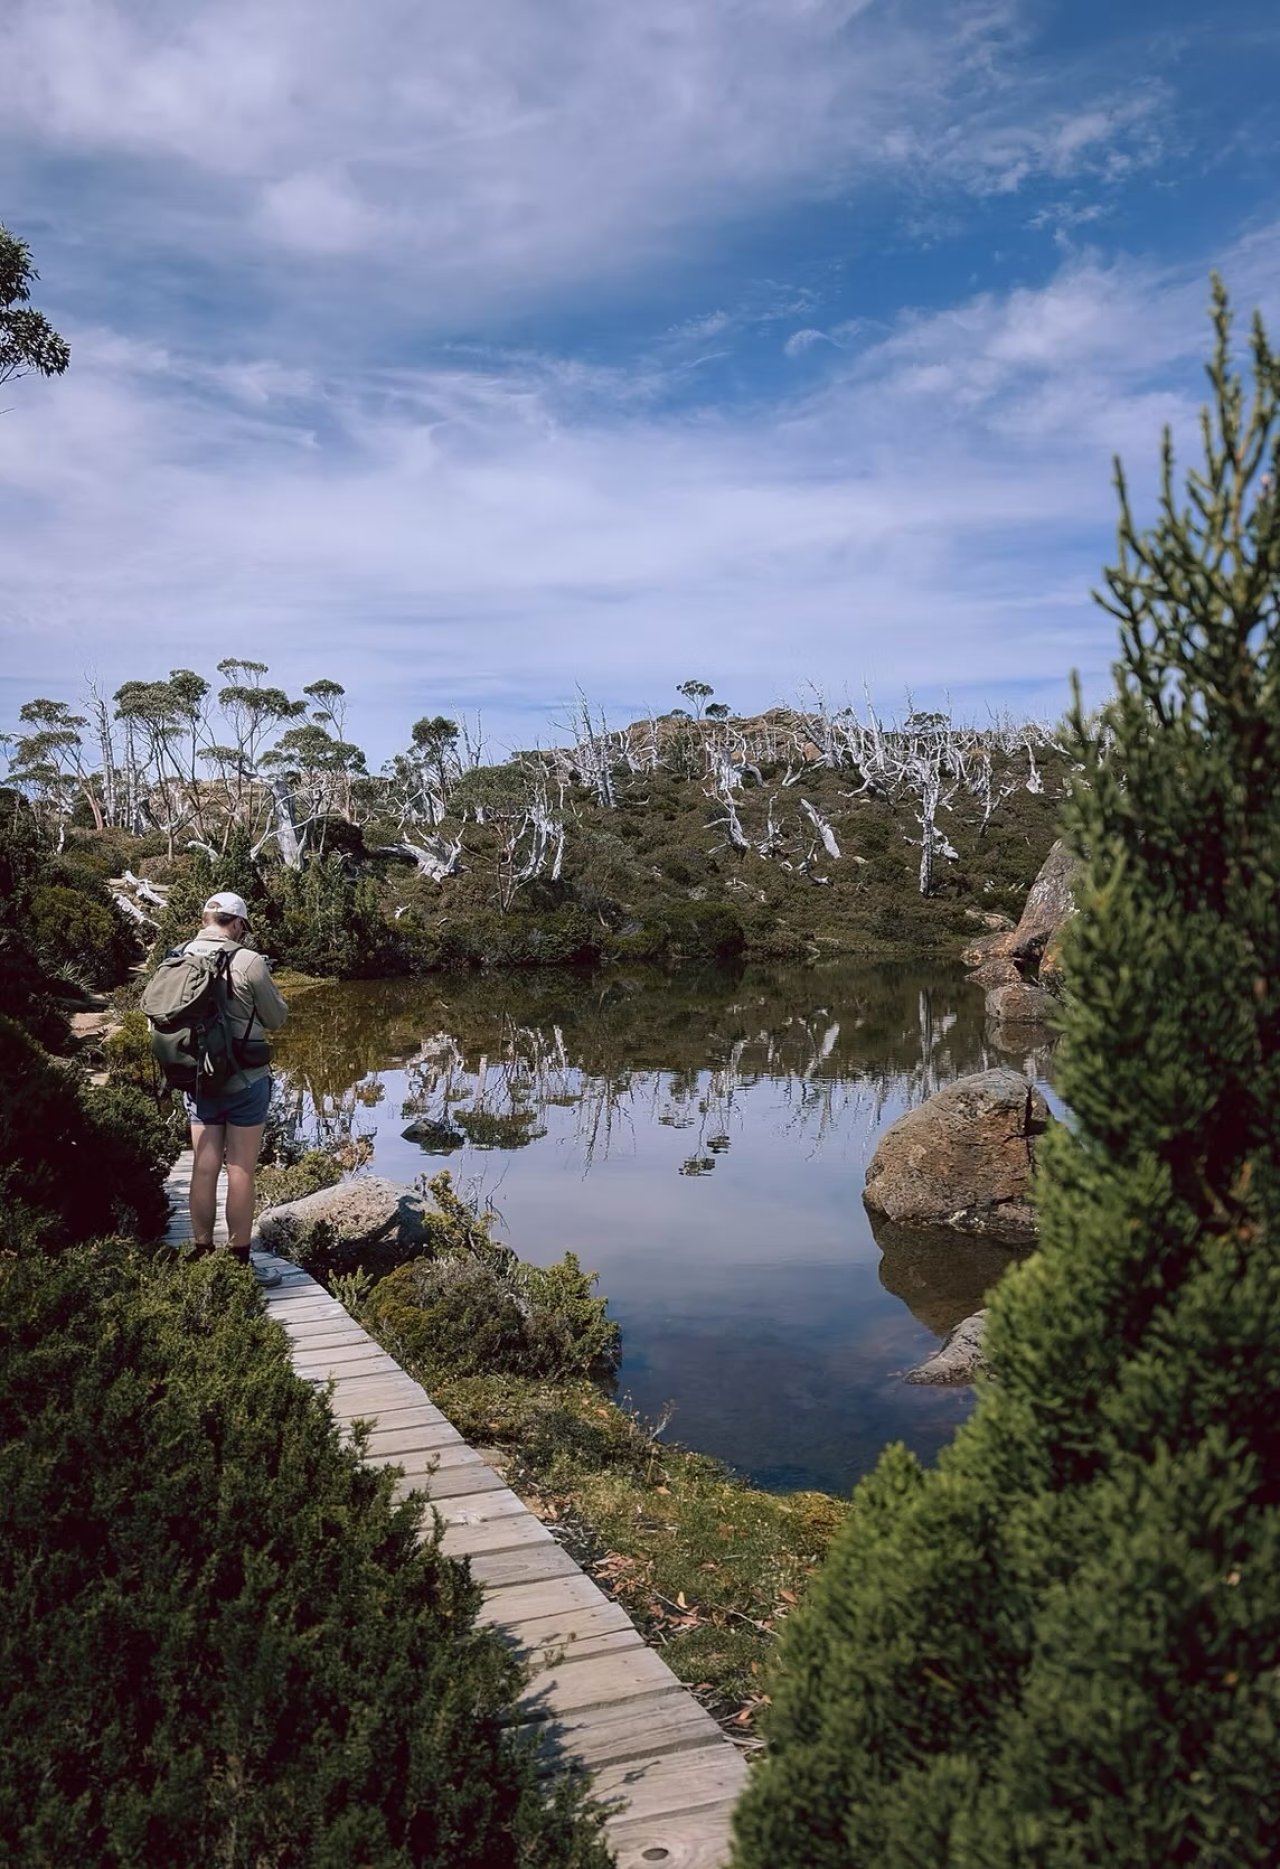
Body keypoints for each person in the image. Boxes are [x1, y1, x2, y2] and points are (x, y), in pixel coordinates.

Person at [184, 891, 289, 1284]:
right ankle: (240, 1262)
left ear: (206, 918)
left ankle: (201, 1252)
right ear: (238, 923)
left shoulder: (178, 956)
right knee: (241, 1168)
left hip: (198, 1079)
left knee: (204, 1166)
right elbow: (276, 1019)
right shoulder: (249, 961)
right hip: (246, 1080)